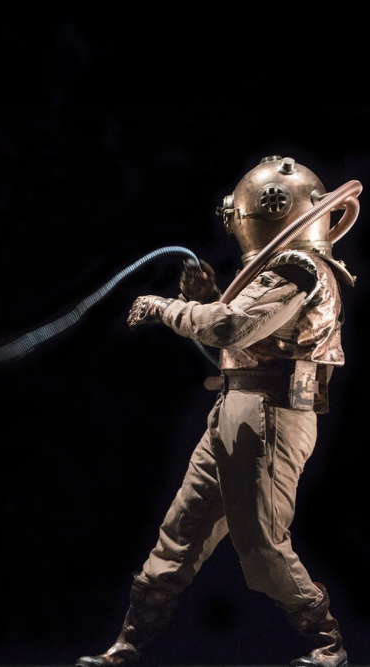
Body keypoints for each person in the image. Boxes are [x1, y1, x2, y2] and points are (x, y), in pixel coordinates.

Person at [77, 155, 357, 667]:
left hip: (271, 416)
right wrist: (207, 300)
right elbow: (243, 343)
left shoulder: (297, 269)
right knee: (181, 532)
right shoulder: (282, 270)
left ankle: (328, 643)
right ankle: (129, 645)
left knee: (261, 542)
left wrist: (166, 308)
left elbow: (231, 328)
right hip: (240, 408)